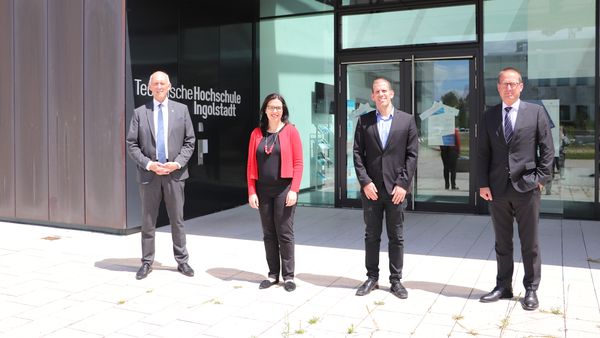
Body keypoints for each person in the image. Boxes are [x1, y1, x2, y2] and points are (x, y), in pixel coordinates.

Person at [478, 67, 554, 310]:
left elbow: (547, 149)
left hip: (527, 187)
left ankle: (531, 289)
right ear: (498, 88)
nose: (508, 88)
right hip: (498, 189)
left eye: (513, 84)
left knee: (529, 242)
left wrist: (540, 180)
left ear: (521, 87)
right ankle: (503, 286)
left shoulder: (536, 112)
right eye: (504, 84)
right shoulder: (489, 115)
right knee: (502, 241)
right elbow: (483, 153)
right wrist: (482, 183)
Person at [126, 71, 196, 280]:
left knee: (178, 220)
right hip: (150, 176)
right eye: (155, 83)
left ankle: (182, 261)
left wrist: (177, 163)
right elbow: (132, 144)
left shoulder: (181, 110)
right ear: (149, 86)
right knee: (148, 221)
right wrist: (149, 164)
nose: (159, 87)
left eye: (162, 83)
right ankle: (147, 262)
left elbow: (190, 141)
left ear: (169, 86)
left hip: (175, 174)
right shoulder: (140, 112)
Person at [353, 78, 418, 299]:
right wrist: (365, 182)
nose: (380, 94)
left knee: (396, 237)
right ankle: (372, 277)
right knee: (371, 235)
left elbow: (412, 156)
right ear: (372, 96)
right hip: (371, 190)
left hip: (396, 191)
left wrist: (403, 184)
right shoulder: (364, 122)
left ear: (391, 93)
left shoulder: (407, 121)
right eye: (376, 91)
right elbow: (357, 155)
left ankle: (396, 280)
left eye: (384, 91)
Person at [247, 93, 303, 292]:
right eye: (271, 107)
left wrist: (294, 190)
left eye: (278, 107)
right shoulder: (256, 133)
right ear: (265, 110)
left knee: (284, 232)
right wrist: (252, 191)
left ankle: (289, 276)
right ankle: (273, 275)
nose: (275, 111)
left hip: (284, 189)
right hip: (262, 190)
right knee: (268, 233)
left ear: (283, 110)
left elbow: (298, 163)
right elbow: (250, 165)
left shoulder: (291, 131)